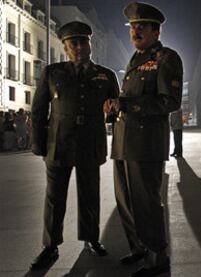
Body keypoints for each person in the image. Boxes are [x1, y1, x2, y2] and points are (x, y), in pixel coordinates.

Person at [30, 21, 120, 270]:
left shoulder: (106, 75)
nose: (79, 47)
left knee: (90, 194)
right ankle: (50, 246)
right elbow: (38, 111)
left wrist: (113, 110)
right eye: (73, 43)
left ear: (90, 45)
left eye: (83, 42)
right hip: (58, 144)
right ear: (66, 47)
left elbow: (115, 110)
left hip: (90, 143)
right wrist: (38, 144)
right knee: (54, 198)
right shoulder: (52, 73)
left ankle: (91, 238)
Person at [111, 2, 183, 276]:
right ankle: (138, 248)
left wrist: (129, 105)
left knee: (146, 202)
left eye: (141, 26)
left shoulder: (166, 58)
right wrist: (115, 106)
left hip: (146, 143)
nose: (135, 31)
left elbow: (169, 101)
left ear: (156, 31)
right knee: (126, 200)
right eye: (132, 27)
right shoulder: (135, 59)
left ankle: (157, 257)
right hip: (123, 141)